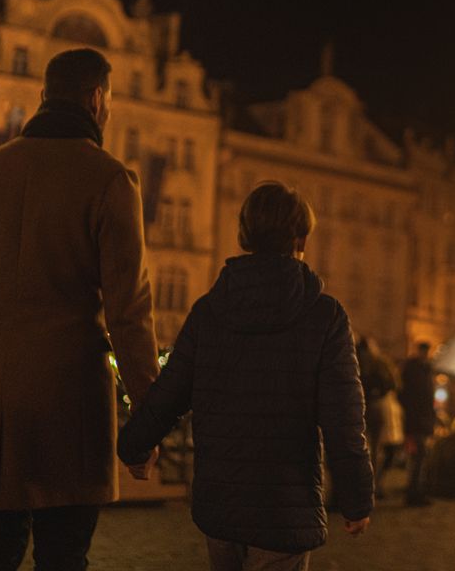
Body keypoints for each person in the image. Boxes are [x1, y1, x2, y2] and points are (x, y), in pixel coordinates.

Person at [0, 48, 159, 571]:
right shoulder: (110, 180)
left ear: (44, 97)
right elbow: (129, 311)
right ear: (97, 99)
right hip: (70, 396)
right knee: (64, 554)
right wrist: (149, 412)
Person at [118, 181, 373, 571]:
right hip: (284, 505)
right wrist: (356, 498)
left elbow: (170, 391)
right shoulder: (324, 316)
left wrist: (135, 446)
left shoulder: (210, 311)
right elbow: (343, 419)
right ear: (301, 237)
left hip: (220, 501)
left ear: (244, 235)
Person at [355, 336, 398, 496]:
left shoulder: (357, 361)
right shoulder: (377, 363)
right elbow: (391, 383)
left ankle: (367, 485)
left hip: (362, 408)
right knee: (373, 449)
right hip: (372, 408)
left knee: (366, 449)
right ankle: (372, 485)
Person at [399, 341, 437, 507]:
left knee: (419, 456)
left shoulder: (422, 370)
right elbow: (419, 398)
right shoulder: (417, 371)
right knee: (418, 456)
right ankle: (414, 492)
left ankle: (415, 491)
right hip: (417, 421)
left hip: (420, 419)